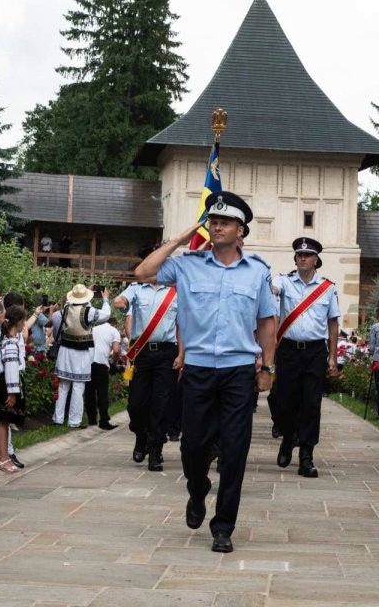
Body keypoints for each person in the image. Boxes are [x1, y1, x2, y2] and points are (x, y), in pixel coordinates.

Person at [134, 191, 278, 554]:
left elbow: (266, 321)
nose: (216, 226)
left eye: (225, 222)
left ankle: (223, 526)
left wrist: (268, 366)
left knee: (235, 450)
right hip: (198, 369)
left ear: (241, 231)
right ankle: (197, 490)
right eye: (213, 221)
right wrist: (178, 240)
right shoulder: (187, 265)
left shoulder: (257, 271)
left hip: (238, 372)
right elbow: (143, 272)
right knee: (193, 447)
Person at [272, 237, 340, 478]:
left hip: (315, 351)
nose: (302, 258)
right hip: (288, 349)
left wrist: (333, 357)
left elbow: (333, 323)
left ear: (316, 260)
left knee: (312, 403)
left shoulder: (327, 287)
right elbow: (273, 289)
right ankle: (289, 436)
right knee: (283, 400)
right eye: (299, 255)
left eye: (307, 255)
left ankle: (306, 456)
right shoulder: (283, 281)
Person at [114, 277, 181, 470]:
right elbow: (122, 300)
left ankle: (155, 451)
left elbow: (181, 327)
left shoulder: (175, 292)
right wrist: (119, 301)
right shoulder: (136, 289)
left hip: (166, 353)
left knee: (161, 404)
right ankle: (141, 435)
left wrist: (181, 354)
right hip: (142, 353)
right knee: (136, 403)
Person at [51, 284, 111, 428]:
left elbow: (72, 303)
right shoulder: (89, 311)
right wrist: (105, 300)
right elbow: (106, 315)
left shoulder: (66, 308)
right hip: (81, 352)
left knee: (63, 386)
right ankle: (74, 421)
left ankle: (58, 419)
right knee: (78, 387)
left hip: (65, 350)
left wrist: (84, 293)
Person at [0, 305, 28, 473]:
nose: (25, 324)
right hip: (6, 384)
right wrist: (12, 392)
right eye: (24, 321)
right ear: (19, 322)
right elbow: (11, 367)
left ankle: (4, 456)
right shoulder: (10, 342)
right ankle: (2, 457)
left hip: (7, 382)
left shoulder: (10, 340)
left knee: (6, 421)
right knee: (3, 420)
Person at [85, 316, 121, 432]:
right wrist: (114, 363)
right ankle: (104, 421)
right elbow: (116, 350)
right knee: (102, 393)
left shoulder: (94, 329)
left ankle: (91, 419)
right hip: (102, 364)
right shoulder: (114, 331)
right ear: (114, 324)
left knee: (89, 392)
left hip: (88, 362)